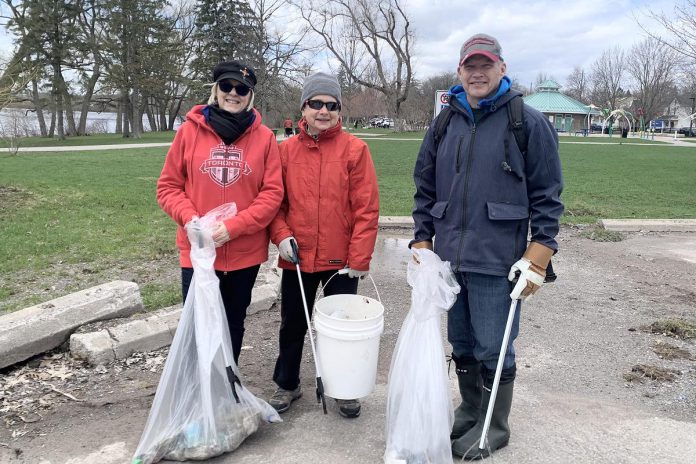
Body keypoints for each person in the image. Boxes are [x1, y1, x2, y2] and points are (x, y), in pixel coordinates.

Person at [411, 34, 564, 459]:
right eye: (469, 66)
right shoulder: (444, 122)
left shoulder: (527, 122)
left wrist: (540, 252)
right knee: (461, 342)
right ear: (459, 71)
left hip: (499, 259)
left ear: (502, 68)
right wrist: (423, 237)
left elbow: (549, 195)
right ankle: (470, 409)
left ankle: (494, 425)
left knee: (493, 345)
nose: (477, 73)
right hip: (449, 258)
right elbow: (424, 186)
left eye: (486, 65)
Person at [268, 72, 380, 418]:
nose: (323, 111)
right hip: (297, 257)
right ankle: (287, 383)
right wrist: (281, 235)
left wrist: (360, 257)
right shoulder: (284, 151)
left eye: (331, 105)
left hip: (341, 260)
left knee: (343, 327)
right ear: (303, 107)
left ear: (339, 110)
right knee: (293, 323)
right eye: (316, 103)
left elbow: (366, 208)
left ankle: (344, 387)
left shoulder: (355, 149)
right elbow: (275, 203)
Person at [156, 60, 283, 365]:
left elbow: (272, 193)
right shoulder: (189, 132)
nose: (233, 93)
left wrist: (234, 227)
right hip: (198, 252)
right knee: (199, 326)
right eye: (226, 86)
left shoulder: (264, 138)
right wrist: (192, 220)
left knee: (233, 323)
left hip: (243, 253)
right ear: (216, 90)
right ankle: (199, 394)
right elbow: (168, 187)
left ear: (250, 95)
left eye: (242, 89)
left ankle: (226, 386)